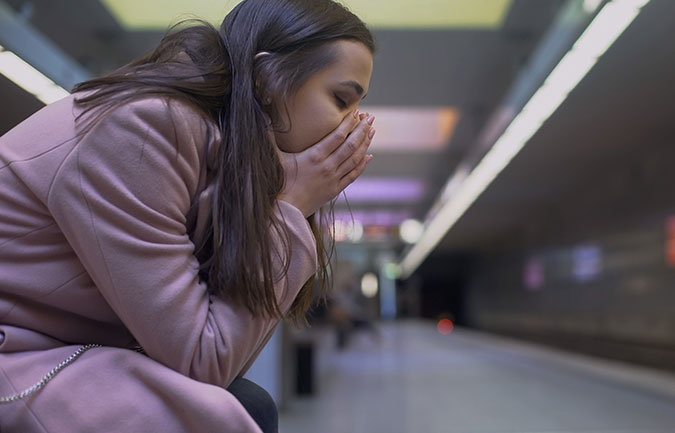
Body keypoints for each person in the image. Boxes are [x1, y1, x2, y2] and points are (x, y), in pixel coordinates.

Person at [0, 0, 375, 431]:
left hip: (60, 350)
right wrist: (290, 208)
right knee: (238, 411)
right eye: (342, 99)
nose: (355, 126)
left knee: (246, 401)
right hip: (20, 357)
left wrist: (284, 201)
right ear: (266, 78)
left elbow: (232, 356)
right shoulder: (145, 130)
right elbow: (205, 360)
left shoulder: (229, 160)